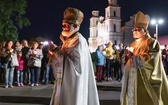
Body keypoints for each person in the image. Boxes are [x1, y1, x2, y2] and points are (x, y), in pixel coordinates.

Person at [50, 7, 100, 105]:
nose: (63, 27)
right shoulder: (68, 40)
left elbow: (77, 67)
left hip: (74, 83)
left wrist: (57, 52)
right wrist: (56, 52)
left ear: (75, 25)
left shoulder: (79, 40)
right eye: (63, 25)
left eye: (66, 25)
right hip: (66, 82)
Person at [120, 11, 168, 105]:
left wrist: (133, 56)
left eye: (137, 29)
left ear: (145, 31)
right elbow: (127, 60)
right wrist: (126, 56)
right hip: (132, 77)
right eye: (133, 29)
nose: (134, 31)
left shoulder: (152, 43)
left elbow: (151, 61)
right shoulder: (133, 43)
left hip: (144, 79)